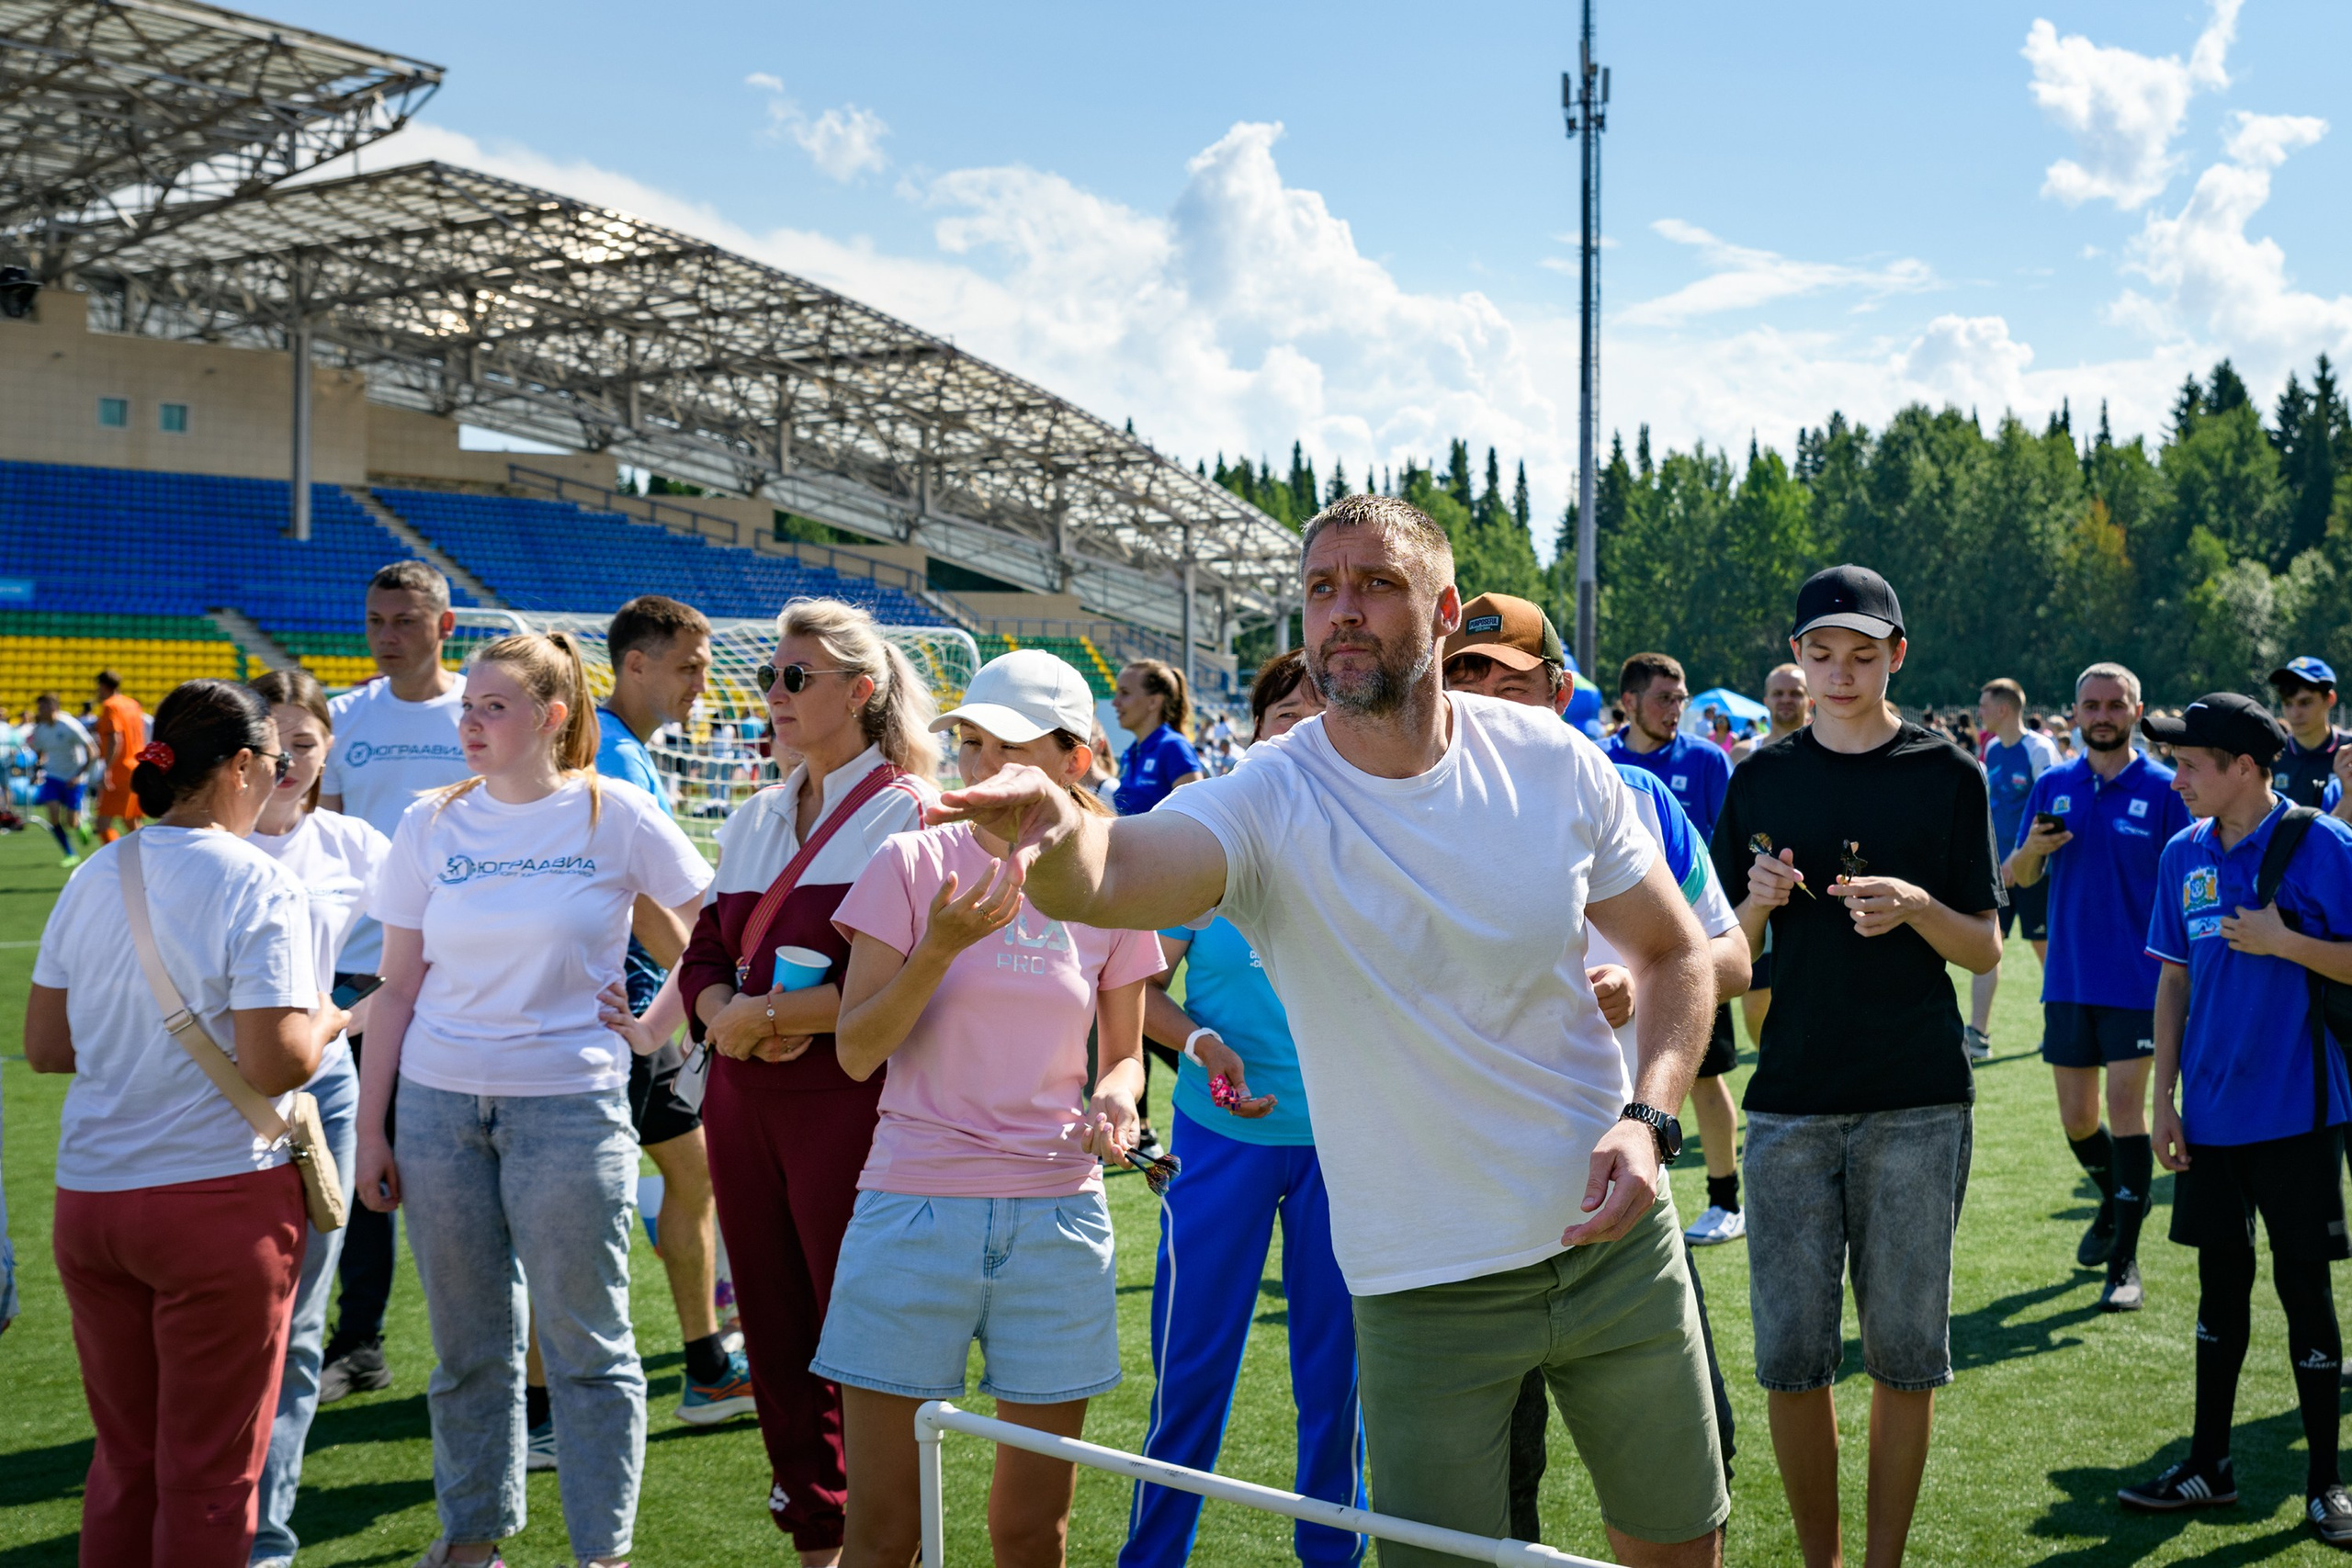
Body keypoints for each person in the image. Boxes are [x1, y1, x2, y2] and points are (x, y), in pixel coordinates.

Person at [936, 493, 1728, 1568]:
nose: (1341, 612)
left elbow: (1677, 953)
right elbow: (1117, 873)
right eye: (1320, 590)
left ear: (1445, 612)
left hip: (1616, 1250)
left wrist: (1651, 1117)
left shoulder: (1550, 759)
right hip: (1421, 1287)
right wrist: (1057, 827)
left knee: (1679, 1547)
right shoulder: (1269, 795)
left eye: (1375, 585)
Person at [353, 631, 711, 1568]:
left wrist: (650, 1025)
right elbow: (394, 989)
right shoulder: (429, 823)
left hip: (571, 1109)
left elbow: (715, 927)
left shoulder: (613, 811)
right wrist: (370, 1131)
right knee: (470, 1350)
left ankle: (603, 1554)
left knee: (589, 1347)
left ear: (552, 717)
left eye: (493, 707)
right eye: (467, 706)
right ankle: (472, 1542)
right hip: (436, 1111)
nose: (469, 722)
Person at [816, 648, 1165, 1568]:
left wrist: (1113, 1101)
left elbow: (1125, 1058)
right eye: (968, 741)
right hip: (912, 1210)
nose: (980, 764)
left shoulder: (1114, 878)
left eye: (1005, 744)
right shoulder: (909, 859)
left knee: (1029, 1531)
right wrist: (937, 949)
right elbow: (856, 1051)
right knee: (883, 1533)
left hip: (1058, 1218)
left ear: (1072, 758)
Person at [1439, 598, 1749, 1545]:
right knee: (1492, 1484)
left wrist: (1641, 969)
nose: (1483, 693)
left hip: (1623, 1174)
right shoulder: (1412, 814)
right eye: (1462, 673)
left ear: (1560, 691)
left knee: (1692, 1464)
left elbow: (1726, 955)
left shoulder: (1637, 799)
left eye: (1508, 676)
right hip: (1471, 1196)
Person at [1713, 564, 2003, 1568]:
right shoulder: (1757, 777)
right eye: (1822, 653)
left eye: (1862, 655)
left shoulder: (1948, 775)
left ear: (1896, 657)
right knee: (1792, 1366)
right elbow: (1721, 967)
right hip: (1789, 1105)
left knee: (1903, 1361)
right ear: (1795, 657)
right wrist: (1753, 905)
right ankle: (1820, 1565)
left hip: (1917, 1102)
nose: (1840, 673)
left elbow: (1985, 950)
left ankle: (1880, 1565)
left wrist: (1919, 909)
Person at [26, 679, 327, 1568]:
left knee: (125, 1462)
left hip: (93, 1198)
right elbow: (278, 1061)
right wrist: (326, 1021)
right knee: (209, 1476)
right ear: (241, 766)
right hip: (215, 1199)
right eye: (275, 765)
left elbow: (46, 1045)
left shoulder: (95, 871)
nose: (280, 781)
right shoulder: (259, 882)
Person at [666, 598, 937, 1566]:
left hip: (851, 1106)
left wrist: (770, 1017)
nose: (770, 695)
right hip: (743, 1103)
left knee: (859, 1332)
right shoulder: (753, 815)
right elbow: (701, 957)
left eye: (794, 678)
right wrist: (722, 1017)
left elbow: (914, 986)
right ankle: (816, 1540)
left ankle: (885, 1540)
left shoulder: (910, 812)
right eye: (769, 678)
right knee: (774, 1330)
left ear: (861, 693)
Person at [1120, 648, 1368, 1568]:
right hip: (1218, 1139)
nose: (1299, 733)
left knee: (1336, 1384)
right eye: (1282, 716)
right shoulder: (1204, 837)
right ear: (1254, 731)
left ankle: (1331, 1556)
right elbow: (1135, 988)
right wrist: (1200, 1044)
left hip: (1344, 1149)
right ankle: (1151, 1558)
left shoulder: (1373, 850)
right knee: (1189, 1372)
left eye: (1321, 721)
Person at [2120, 694, 2352, 1547]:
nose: (2176, 778)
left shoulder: (2324, 843)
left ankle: (2326, 1482)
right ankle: (2208, 1466)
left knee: (2305, 1291)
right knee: (2221, 1289)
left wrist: (2285, 939)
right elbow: (2172, 980)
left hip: (2298, 1112)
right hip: (2209, 1116)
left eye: (2191, 764)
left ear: (2246, 767)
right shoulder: (2183, 851)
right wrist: (2164, 1099)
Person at [583, 593, 752, 1436]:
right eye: (688, 666)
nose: (703, 683)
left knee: (692, 1175)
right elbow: (649, 894)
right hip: (621, 1016)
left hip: (630, 1010)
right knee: (585, 1218)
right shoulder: (614, 757)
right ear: (635, 664)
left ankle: (707, 1363)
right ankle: (550, 1409)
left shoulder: (620, 749)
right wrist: (700, 987)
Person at [243, 669, 392, 1568]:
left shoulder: (357, 846)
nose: (290, 760)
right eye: (275, 743)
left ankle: (266, 1536)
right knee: (221, 1316)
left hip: (321, 1096)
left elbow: (408, 964)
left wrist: (339, 1020)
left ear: (330, 750)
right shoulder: (200, 841)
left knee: (298, 1321)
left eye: (307, 744)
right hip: (216, 1096)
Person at [314, 560, 471, 1404]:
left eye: (405, 620)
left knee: (451, 1168)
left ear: (444, 626)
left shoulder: (477, 713)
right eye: (376, 619)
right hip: (357, 975)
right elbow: (326, 842)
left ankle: (481, 1350)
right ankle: (358, 1341)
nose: (387, 635)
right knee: (356, 1157)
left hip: (459, 975)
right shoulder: (344, 717)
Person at [2006, 663, 2188, 1314]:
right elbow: (2016, 876)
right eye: (2092, 704)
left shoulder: (2168, 789)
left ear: (2138, 711)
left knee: (2125, 1111)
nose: (2103, 714)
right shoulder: (2055, 783)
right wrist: (2032, 847)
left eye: (2116, 704)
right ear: (2076, 713)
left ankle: (2125, 1261)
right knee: (2078, 1121)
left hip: (2140, 982)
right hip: (2069, 981)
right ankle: (2116, 1202)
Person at [1601, 649, 1745, 1249]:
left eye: (1680, 699)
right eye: (1664, 698)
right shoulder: (1596, 761)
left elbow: (1729, 847)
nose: (1675, 709)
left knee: (1705, 1076)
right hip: (1608, 954)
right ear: (1629, 701)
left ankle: (1725, 1198)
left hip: (1694, 943)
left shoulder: (1707, 760)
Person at [1109, 656, 1204, 1160]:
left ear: (1155, 701)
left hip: (1156, 900)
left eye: (1125, 693)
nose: (1116, 702)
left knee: (1137, 1002)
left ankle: (1206, 1067)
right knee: (1128, 1005)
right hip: (1129, 898)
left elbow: (1195, 803)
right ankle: (1143, 1123)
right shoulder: (1135, 751)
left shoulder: (1172, 748)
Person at [1969, 678, 2061, 1063]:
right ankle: (1976, 1035)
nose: (1979, 712)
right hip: (1997, 872)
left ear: (2003, 709)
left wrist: (2020, 858)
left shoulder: (2040, 749)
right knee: (1986, 948)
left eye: (1984, 705)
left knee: (2047, 950)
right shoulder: (1991, 748)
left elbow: (2053, 813)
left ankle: (2057, 1028)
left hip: (2036, 872)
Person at [1736, 665, 1812, 1039]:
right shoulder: (1741, 755)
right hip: (1759, 892)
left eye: (1795, 693)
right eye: (1779, 693)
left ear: (1809, 698)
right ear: (1765, 700)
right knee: (1756, 999)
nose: (1786, 700)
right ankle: (1769, 1056)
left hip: (1813, 890)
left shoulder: (1828, 752)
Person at [2267, 657, 2352, 822]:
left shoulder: (2348, 752)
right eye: (2287, 703)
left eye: (2305, 703)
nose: (2295, 713)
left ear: (2330, 699)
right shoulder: (2271, 756)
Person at [28, 691, 96, 866]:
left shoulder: (69, 725)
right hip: (53, 776)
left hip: (73, 778)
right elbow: (40, 751)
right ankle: (70, 853)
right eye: (39, 706)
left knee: (71, 822)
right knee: (53, 816)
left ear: (53, 707)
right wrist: (37, 770)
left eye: (44, 706)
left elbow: (92, 751)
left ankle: (81, 824)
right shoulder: (40, 729)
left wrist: (79, 774)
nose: (40, 710)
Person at [91, 670, 146, 843]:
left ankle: (117, 861)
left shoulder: (110, 706)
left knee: (103, 823)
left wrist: (106, 769)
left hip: (120, 769)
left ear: (103, 686)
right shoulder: (133, 704)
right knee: (131, 820)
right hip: (137, 766)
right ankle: (146, 856)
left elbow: (116, 737)